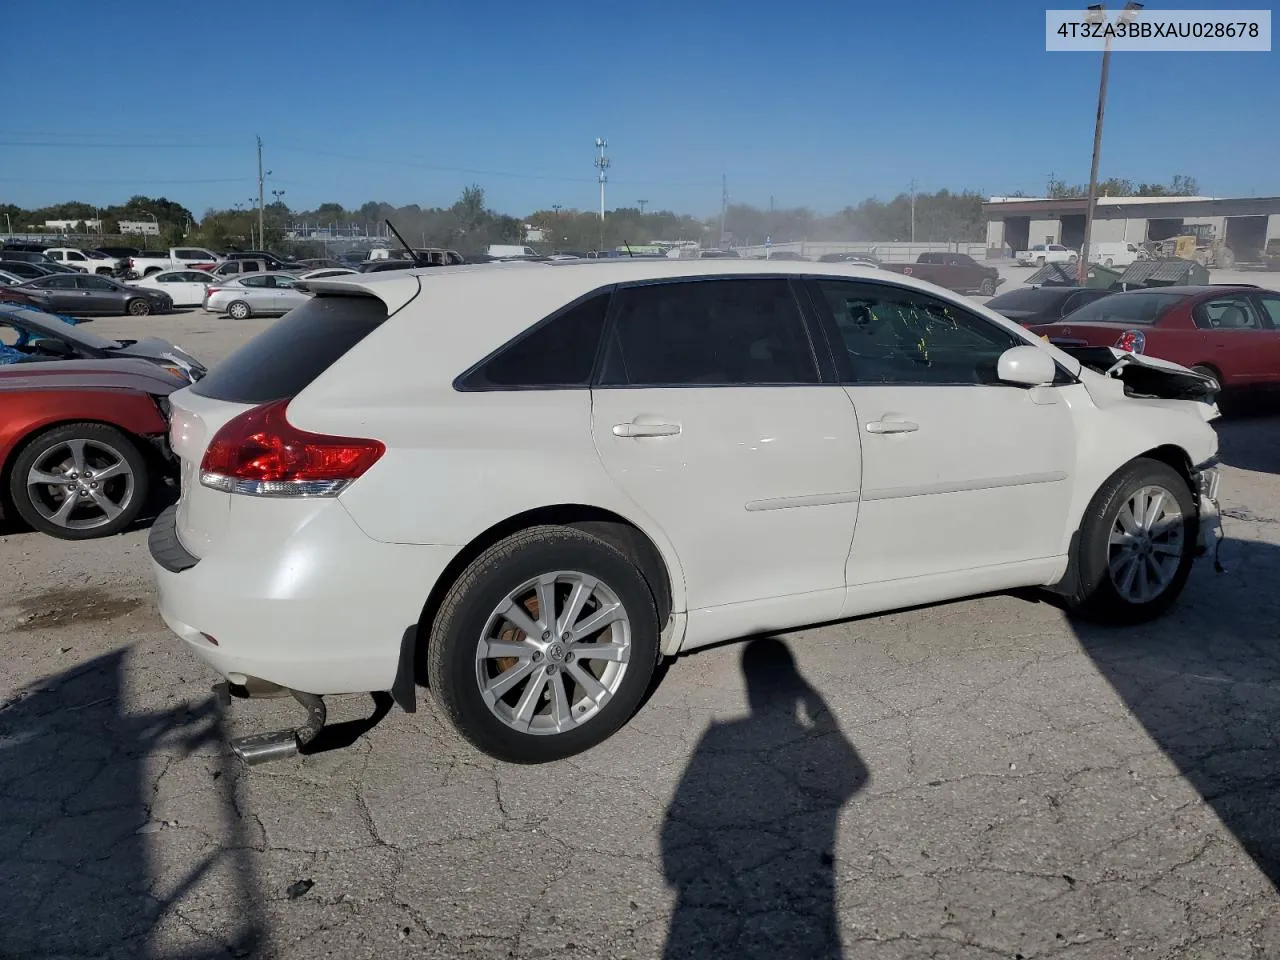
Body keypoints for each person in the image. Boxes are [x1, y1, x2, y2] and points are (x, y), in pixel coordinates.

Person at [661, 637, 868, 959]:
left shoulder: (717, 734)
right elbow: (856, 774)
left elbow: (673, 828)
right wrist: (819, 713)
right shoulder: (724, 734)